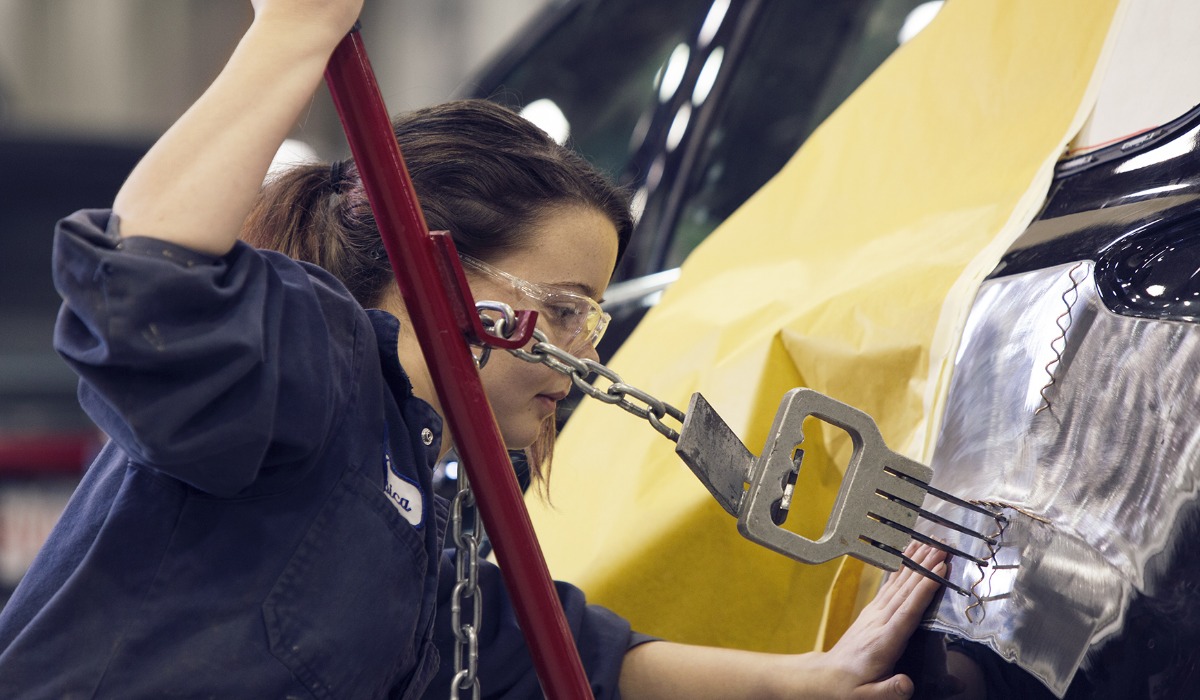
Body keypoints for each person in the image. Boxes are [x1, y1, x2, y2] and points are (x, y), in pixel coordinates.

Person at [0, 1, 948, 697]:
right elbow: (144, 284)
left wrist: (805, 683)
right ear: (442, 277)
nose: (587, 354)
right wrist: (291, 34)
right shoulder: (311, 367)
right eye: (568, 307)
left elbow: (558, 651)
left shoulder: (415, 510)